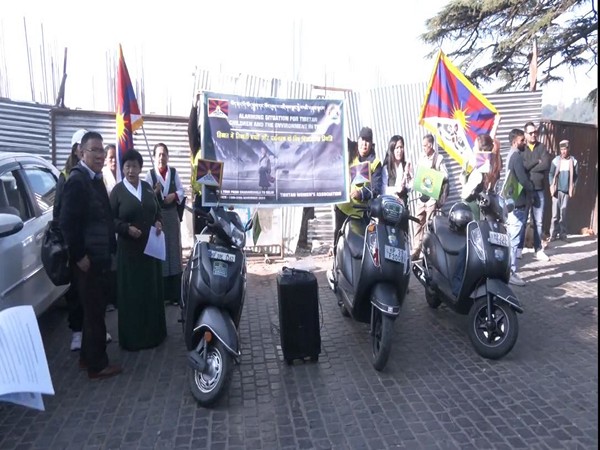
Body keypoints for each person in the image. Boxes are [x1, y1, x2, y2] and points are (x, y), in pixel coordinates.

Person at [59, 131, 121, 379]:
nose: (99, 154)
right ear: (80, 152)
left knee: (93, 309)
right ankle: (98, 365)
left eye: (101, 150)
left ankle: (87, 358)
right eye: (94, 150)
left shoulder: (94, 179)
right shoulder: (77, 181)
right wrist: (79, 255)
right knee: (95, 313)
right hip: (87, 260)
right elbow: (66, 223)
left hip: (99, 256)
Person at [110, 149, 166, 351]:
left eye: (134, 166)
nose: (131, 170)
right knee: (132, 294)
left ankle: (154, 334)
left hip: (151, 250)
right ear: (122, 168)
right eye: (127, 166)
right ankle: (134, 338)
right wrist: (125, 228)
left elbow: (157, 210)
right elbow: (111, 220)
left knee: (150, 291)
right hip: (129, 252)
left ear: (140, 168)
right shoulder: (117, 191)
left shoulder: (148, 188)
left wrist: (159, 222)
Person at [327, 127, 382, 276]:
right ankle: (336, 270)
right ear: (358, 140)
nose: (364, 144)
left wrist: (361, 193)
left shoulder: (376, 163)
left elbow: (376, 189)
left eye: (368, 141)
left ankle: (358, 274)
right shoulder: (351, 151)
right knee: (338, 242)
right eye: (362, 139)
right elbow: (337, 135)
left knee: (360, 246)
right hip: (342, 207)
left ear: (371, 143)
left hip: (361, 213)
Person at [145, 143, 184, 306]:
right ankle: (162, 294)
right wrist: (155, 192)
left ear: (168, 156)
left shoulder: (173, 173)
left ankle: (175, 294)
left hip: (172, 216)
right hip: (158, 218)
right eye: (159, 154)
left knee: (174, 252)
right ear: (155, 157)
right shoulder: (150, 175)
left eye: (164, 154)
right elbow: (146, 197)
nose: (162, 157)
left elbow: (182, 191)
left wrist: (174, 195)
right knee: (161, 253)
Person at [504, 129, 535, 286]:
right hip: (518, 204)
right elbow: (522, 179)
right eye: (523, 140)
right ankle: (511, 272)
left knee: (512, 238)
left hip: (514, 203)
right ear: (516, 141)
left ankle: (509, 271)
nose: (525, 142)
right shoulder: (516, 156)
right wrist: (531, 189)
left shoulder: (513, 155)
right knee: (514, 240)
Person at [411, 134, 448, 260]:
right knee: (418, 222)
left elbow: (445, 176)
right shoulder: (421, 158)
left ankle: (427, 249)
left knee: (429, 224)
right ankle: (416, 248)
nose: (423, 148)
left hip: (432, 197)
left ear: (430, 145)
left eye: (425, 146)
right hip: (422, 196)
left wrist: (434, 176)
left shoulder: (439, 158)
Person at [519, 121, 552, 261]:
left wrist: (532, 166)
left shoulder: (542, 147)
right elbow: (523, 167)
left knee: (538, 221)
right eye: (531, 133)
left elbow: (546, 164)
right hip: (526, 190)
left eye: (535, 132)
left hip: (539, 189)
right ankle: (519, 249)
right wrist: (536, 162)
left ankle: (538, 249)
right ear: (525, 134)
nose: (534, 135)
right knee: (522, 220)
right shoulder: (522, 149)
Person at [548, 139, 579, 243]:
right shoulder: (556, 160)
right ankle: (553, 234)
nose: (563, 151)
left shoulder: (573, 161)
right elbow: (551, 173)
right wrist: (552, 185)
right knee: (554, 215)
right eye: (561, 149)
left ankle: (563, 234)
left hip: (566, 191)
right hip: (556, 191)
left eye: (565, 149)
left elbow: (576, 176)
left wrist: (573, 187)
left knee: (563, 213)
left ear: (568, 149)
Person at [102, 144, 118, 312]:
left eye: (115, 157)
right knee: (110, 264)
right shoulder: (103, 177)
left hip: (120, 224)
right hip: (108, 225)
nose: (114, 161)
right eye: (110, 157)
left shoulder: (122, 175)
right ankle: (109, 299)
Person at [382, 135, 413, 205]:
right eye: (397, 148)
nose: (399, 151)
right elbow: (383, 189)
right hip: (390, 205)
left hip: (402, 205)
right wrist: (396, 189)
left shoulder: (405, 166)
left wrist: (409, 176)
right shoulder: (386, 168)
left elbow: (410, 188)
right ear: (392, 150)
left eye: (401, 147)